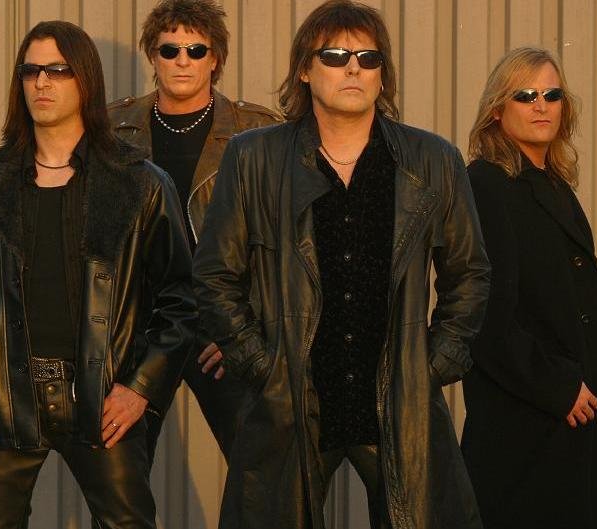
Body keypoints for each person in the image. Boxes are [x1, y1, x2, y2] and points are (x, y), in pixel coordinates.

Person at [191, 1, 490, 528]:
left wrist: (433, 364)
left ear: (382, 75)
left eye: (368, 58)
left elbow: (469, 273)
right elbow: (216, 275)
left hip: (398, 401)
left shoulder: (433, 160)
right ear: (304, 70)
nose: (353, 68)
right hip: (292, 399)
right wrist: (261, 364)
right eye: (334, 56)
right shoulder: (253, 158)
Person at [0, 20, 196, 529]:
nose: (42, 82)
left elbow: (180, 300)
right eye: (30, 71)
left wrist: (139, 388)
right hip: (7, 397)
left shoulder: (139, 182)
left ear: (85, 80)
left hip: (102, 396)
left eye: (58, 70)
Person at [107, 0, 281, 461]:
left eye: (196, 50)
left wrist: (247, 326)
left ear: (215, 58)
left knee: (257, 465)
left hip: (221, 320)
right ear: (153, 55)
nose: (182, 60)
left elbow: (280, 238)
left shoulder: (257, 130)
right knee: (120, 469)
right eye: (170, 50)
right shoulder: (112, 129)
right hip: (142, 323)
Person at [460, 46, 597, 529]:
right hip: (525, 422)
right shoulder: (486, 185)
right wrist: (558, 385)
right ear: (497, 109)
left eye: (552, 95)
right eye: (525, 95)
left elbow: (566, 299)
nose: (541, 106)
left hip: (571, 412)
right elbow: (486, 317)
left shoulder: (553, 184)